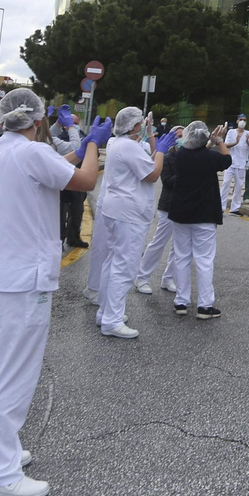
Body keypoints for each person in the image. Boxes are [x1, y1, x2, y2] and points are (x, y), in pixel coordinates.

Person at [0, 89, 107, 496]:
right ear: (38, 118)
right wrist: (94, 145)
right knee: (13, 375)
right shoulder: (31, 153)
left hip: (1, 274)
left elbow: (51, 167)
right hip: (25, 278)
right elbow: (84, 179)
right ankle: (0, 473)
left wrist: (78, 148)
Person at [93, 109, 174, 339]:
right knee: (124, 267)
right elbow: (152, 173)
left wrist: (150, 135)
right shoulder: (128, 146)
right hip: (128, 214)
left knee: (112, 263)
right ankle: (112, 320)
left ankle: (105, 312)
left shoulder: (115, 142)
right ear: (133, 125)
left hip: (115, 210)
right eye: (140, 121)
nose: (143, 123)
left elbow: (141, 159)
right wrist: (160, 150)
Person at [166, 120, 231, 318]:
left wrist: (208, 142)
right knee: (204, 260)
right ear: (205, 140)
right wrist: (219, 141)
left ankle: (181, 301)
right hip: (204, 215)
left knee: (182, 257)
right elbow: (227, 160)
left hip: (180, 214)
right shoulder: (211, 157)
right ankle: (204, 305)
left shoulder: (181, 156)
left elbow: (195, 150)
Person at [133, 127, 182, 295]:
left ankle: (168, 278)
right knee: (159, 242)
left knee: (179, 246)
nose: (181, 140)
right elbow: (167, 181)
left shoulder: (189, 157)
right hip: (168, 207)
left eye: (184, 136)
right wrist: (185, 173)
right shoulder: (168, 158)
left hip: (185, 208)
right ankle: (142, 277)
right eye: (178, 137)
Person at [50, 105, 86, 248]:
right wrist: (68, 127)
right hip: (62, 180)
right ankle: (59, 238)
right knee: (60, 211)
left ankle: (73, 237)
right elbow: (75, 149)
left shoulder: (81, 134)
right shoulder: (57, 138)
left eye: (76, 124)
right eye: (72, 124)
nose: (75, 127)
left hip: (77, 177)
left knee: (77, 210)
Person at [221, 116, 249, 214]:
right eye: (241, 119)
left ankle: (234, 208)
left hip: (242, 163)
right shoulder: (231, 132)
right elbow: (226, 145)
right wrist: (235, 142)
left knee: (239, 185)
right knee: (226, 183)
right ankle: (220, 207)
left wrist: (248, 141)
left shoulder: (248, 133)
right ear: (237, 121)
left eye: (245, 120)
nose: (242, 122)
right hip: (230, 162)